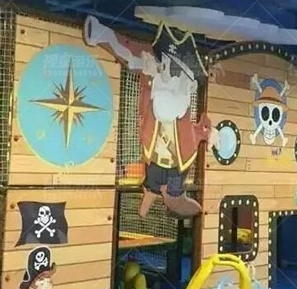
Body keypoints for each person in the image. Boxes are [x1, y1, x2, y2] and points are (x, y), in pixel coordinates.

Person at [84, 16, 219, 218]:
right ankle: (152, 193)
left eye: (177, 75)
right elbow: (129, 53)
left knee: (173, 184)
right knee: (153, 180)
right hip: (156, 159)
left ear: (189, 84)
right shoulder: (152, 80)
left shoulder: (183, 116)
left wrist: (212, 134)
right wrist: (99, 33)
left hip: (177, 164)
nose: (172, 80)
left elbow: (202, 130)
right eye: (169, 72)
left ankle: (172, 197)